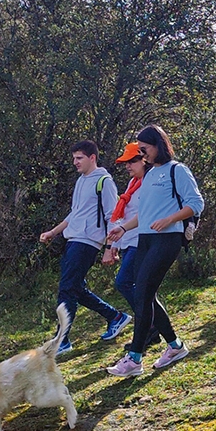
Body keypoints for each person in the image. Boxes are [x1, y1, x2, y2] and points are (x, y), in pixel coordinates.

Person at [103, 125, 204, 377]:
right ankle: (175, 346)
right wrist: (123, 228)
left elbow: (196, 203)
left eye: (144, 149)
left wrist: (170, 219)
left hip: (167, 239)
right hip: (145, 240)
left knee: (142, 295)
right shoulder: (147, 176)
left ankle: (135, 358)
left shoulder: (177, 170)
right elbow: (144, 214)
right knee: (146, 294)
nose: (142, 154)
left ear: (158, 144)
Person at [39, 141, 130, 356]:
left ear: (92, 158)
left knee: (67, 288)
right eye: (73, 158)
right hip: (74, 239)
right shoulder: (81, 181)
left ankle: (62, 339)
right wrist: (53, 232)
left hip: (88, 241)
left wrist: (110, 247)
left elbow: (112, 216)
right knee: (75, 288)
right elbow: (75, 214)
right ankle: (115, 317)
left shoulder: (104, 181)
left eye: (79, 158)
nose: (75, 162)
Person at [106, 142, 153, 345]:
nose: (127, 166)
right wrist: (114, 244)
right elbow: (124, 214)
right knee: (141, 288)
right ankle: (150, 327)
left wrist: (122, 233)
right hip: (129, 242)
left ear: (144, 160)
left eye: (132, 161)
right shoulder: (133, 184)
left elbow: (145, 215)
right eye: (125, 162)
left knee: (124, 282)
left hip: (142, 241)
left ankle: (151, 323)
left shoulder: (150, 182)